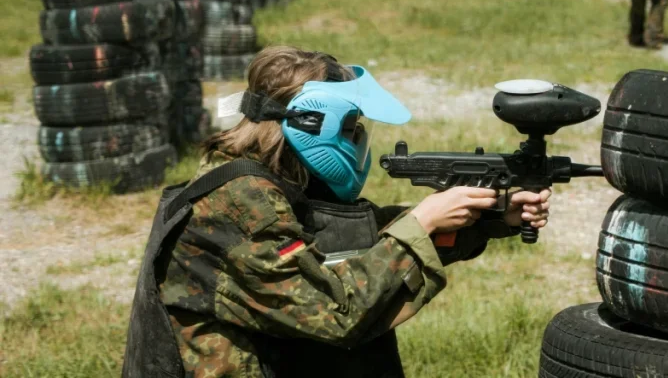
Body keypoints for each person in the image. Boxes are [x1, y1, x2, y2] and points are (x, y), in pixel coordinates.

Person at [121, 46, 552, 378]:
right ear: (312, 125)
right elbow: (334, 312)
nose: (358, 139)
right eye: (350, 128)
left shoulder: (262, 179)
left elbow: (341, 239)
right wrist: (423, 223)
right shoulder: (241, 203)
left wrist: (489, 215)